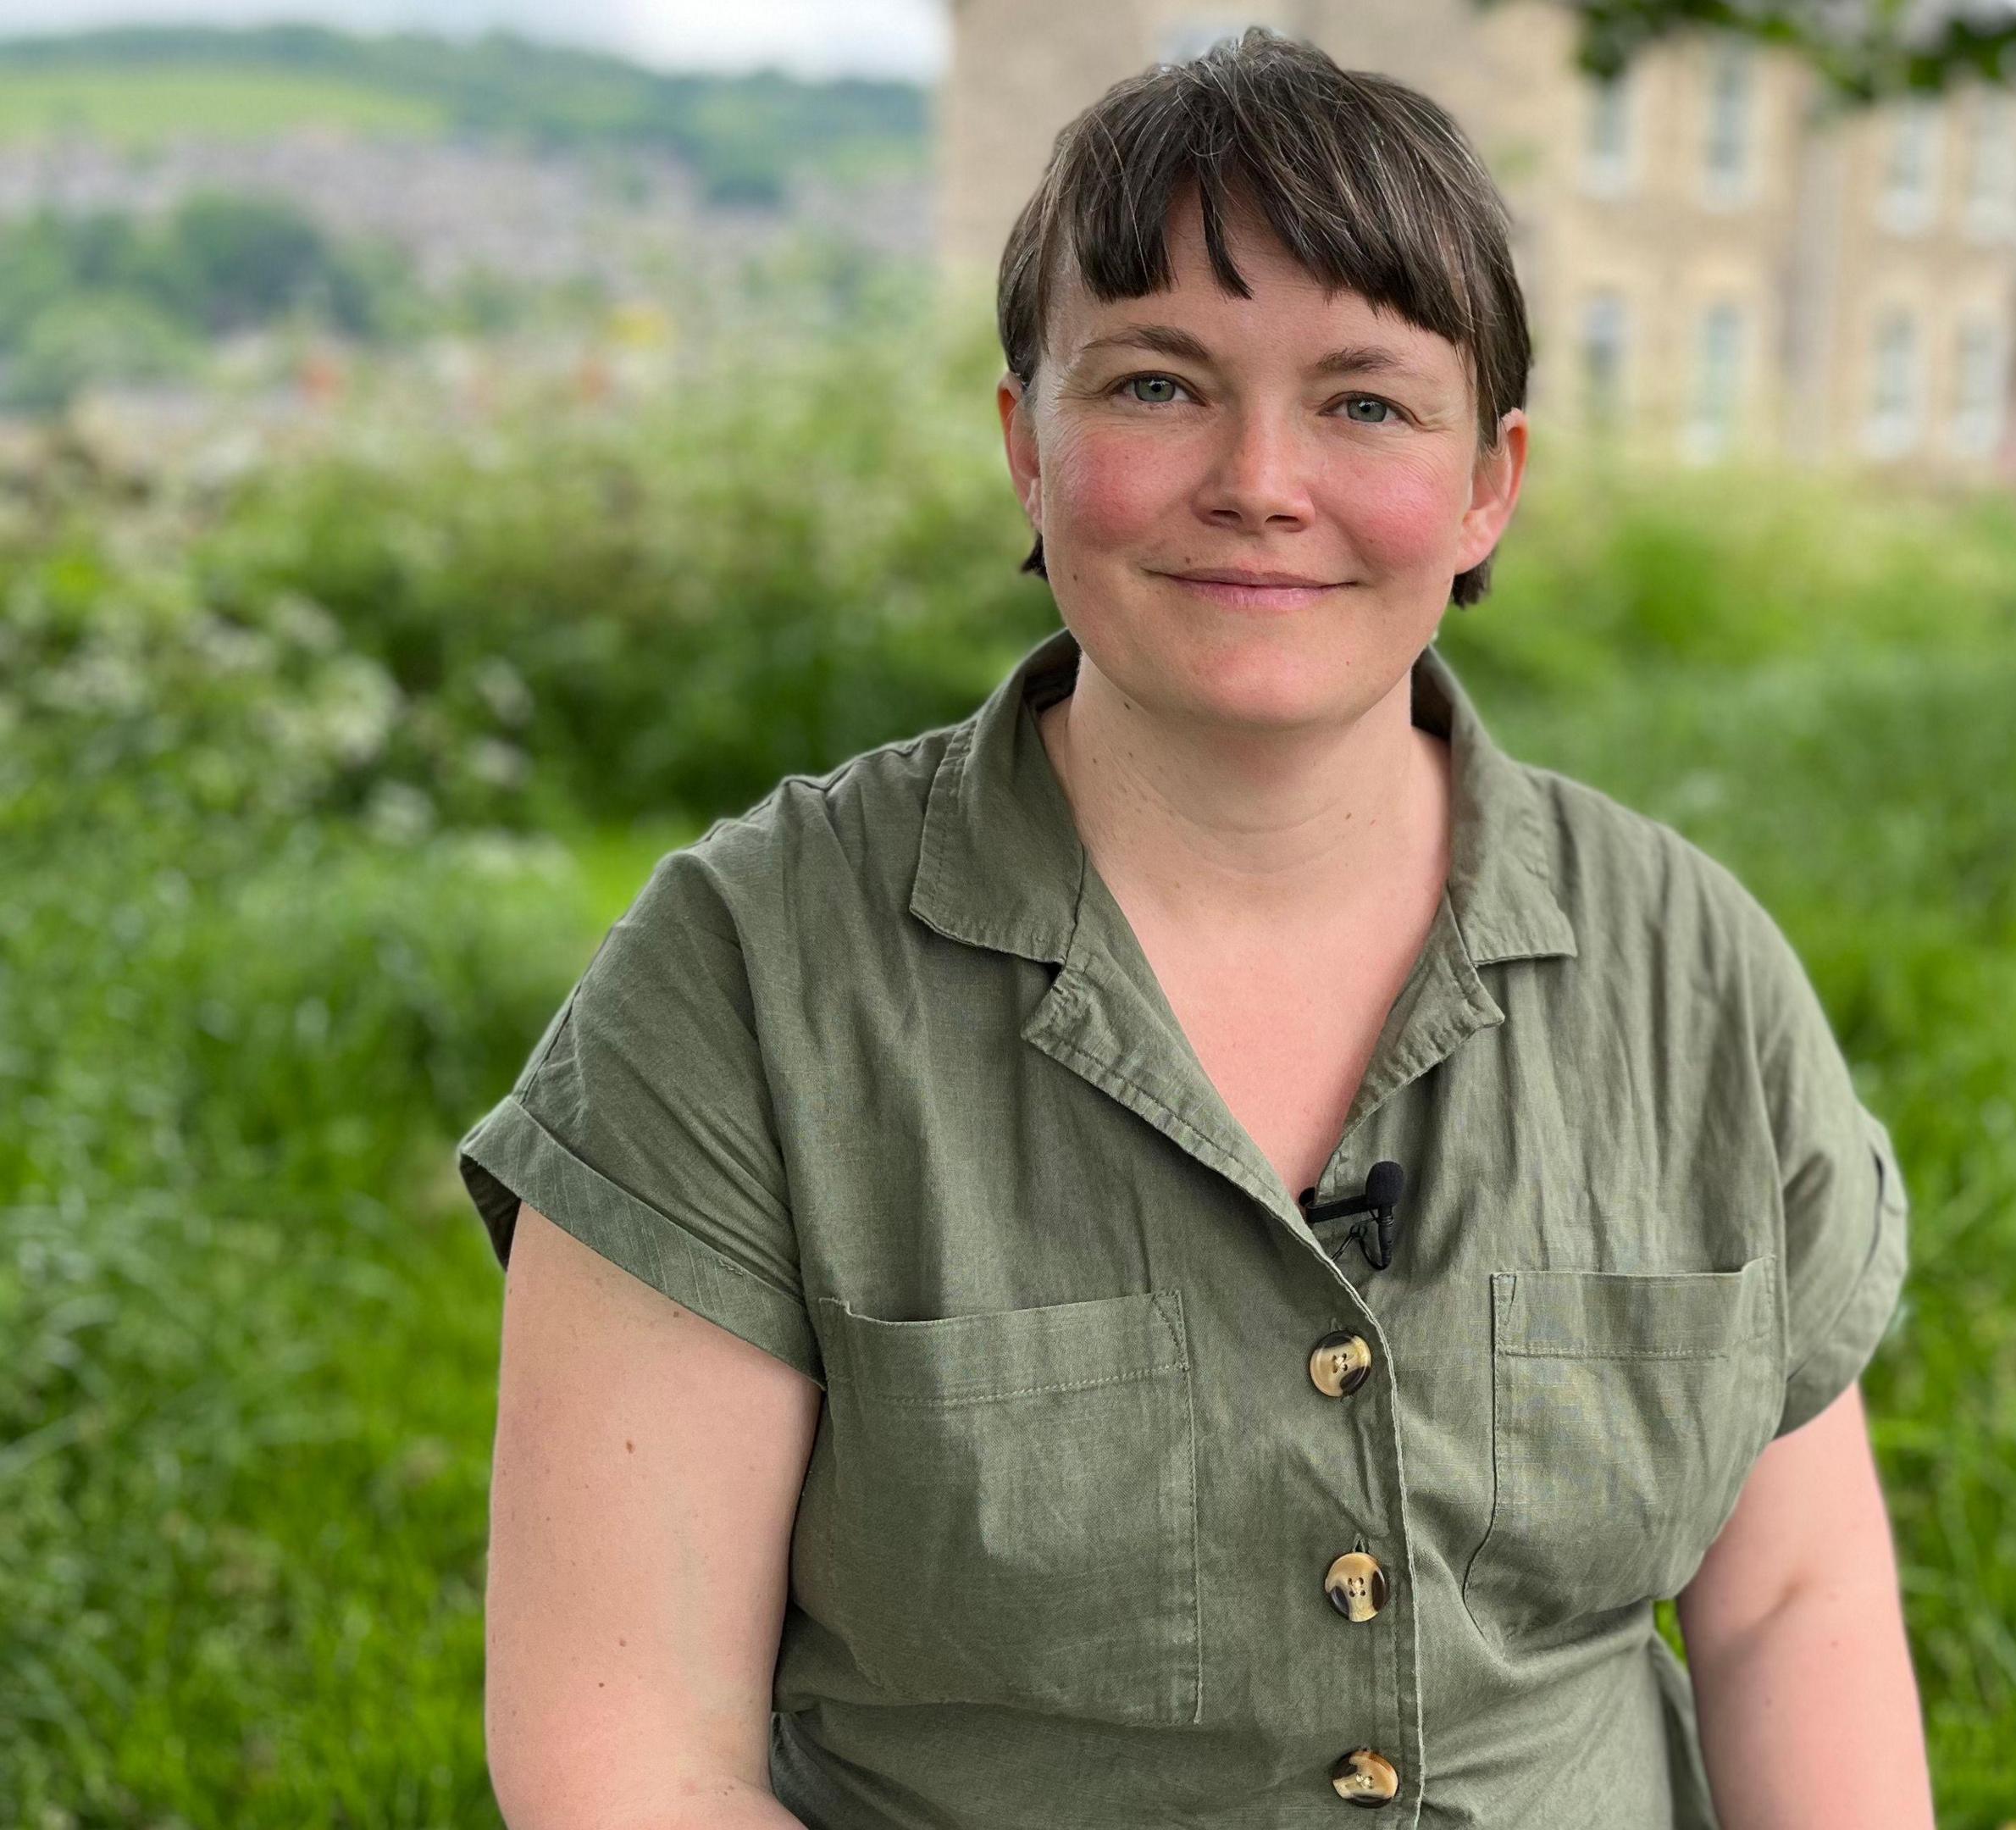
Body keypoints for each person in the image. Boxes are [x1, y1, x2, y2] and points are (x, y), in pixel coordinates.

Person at [462, 28, 1928, 1828]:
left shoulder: (1693, 974)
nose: (1259, 478)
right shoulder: (748, 981)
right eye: (1157, 385)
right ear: (1027, 444)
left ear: (1490, 484)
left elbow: (1792, 1605)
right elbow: (626, 1760)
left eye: (1366, 401)